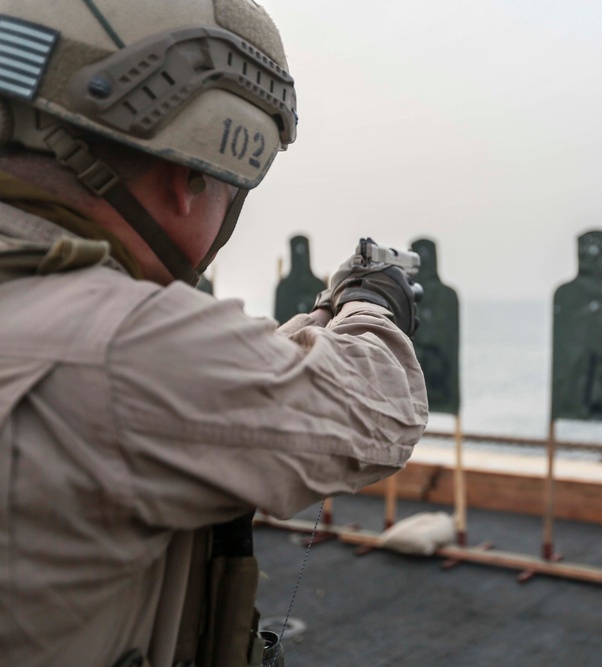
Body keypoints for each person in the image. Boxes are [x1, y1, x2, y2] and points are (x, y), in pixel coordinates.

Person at [0, 2, 428, 666]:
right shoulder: (121, 350)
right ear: (187, 179)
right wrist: (373, 300)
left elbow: (203, 382)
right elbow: (373, 407)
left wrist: (317, 321)